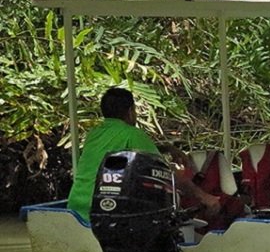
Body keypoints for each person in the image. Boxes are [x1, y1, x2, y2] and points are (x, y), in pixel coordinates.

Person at [67, 87, 221, 222]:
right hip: (106, 213)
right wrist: (205, 197)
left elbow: (126, 150)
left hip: (76, 210)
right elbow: (166, 174)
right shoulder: (132, 134)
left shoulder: (94, 134)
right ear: (130, 112)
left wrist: (167, 148)